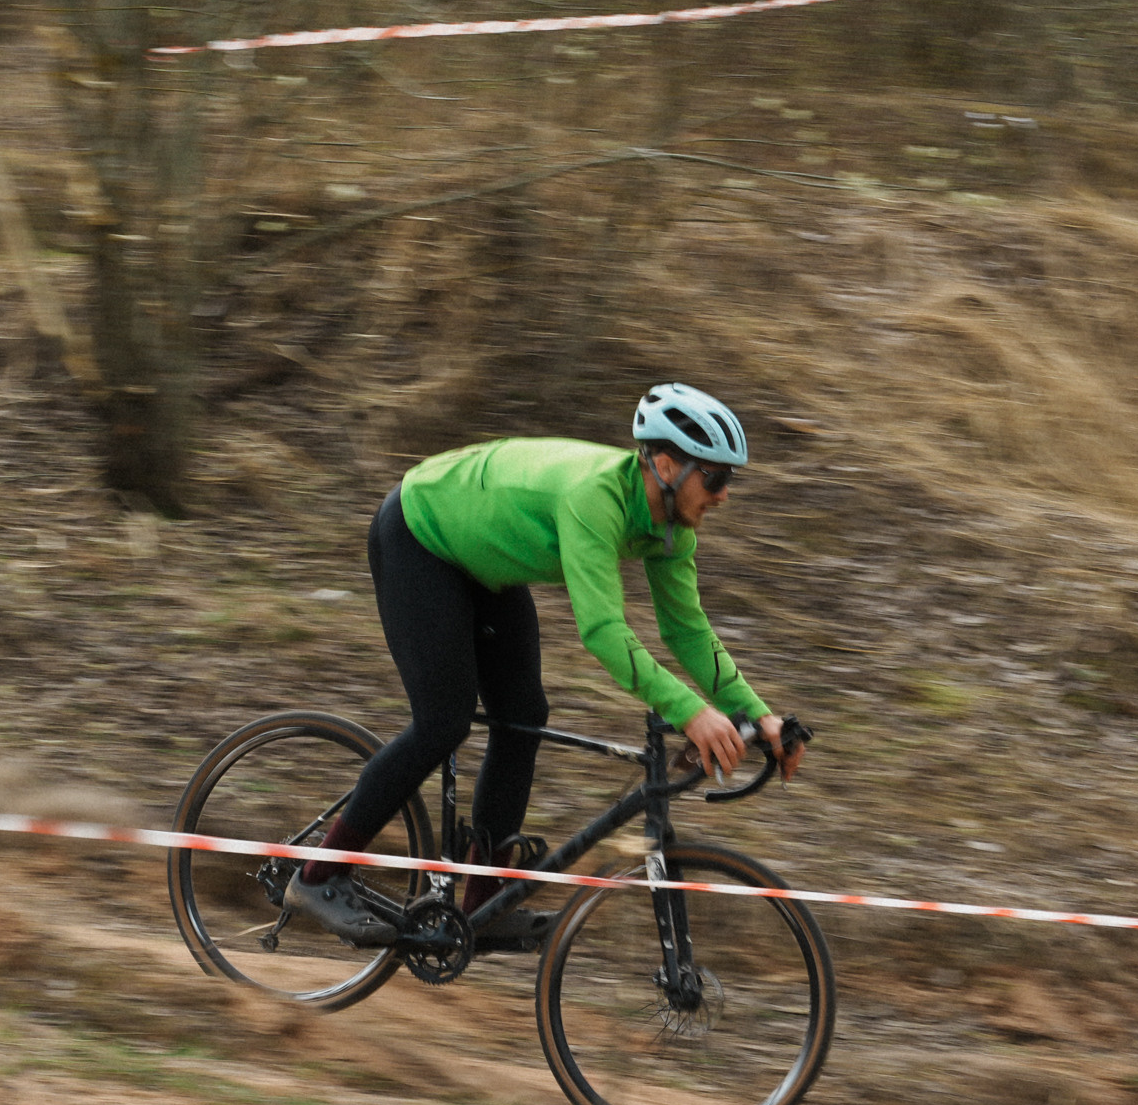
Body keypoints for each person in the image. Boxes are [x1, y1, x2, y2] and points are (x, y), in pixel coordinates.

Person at [291, 383, 805, 947]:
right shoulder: (595, 498)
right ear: (665, 465)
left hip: (487, 561)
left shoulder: (671, 529)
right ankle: (318, 874)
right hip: (422, 535)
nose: (725, 495)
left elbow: (686, 630)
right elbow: (603, 631)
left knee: (523, 716)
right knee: (444, 721)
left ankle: (483, 905)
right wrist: (690, 712)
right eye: (715, 478)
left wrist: (756, 714)